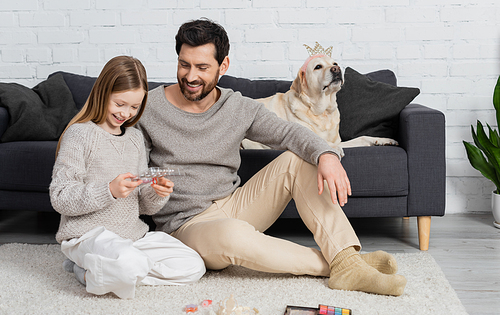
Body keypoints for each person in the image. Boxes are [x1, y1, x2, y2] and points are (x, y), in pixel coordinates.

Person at [135, 19, 407, 296]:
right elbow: (129, 168)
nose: (191, 76)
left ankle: (346, 261)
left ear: (223, 66)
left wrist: (327, 155)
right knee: (232, 236)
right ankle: (345, 262)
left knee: (298, 159)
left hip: (234, 204)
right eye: (184, 64)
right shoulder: (148, 107)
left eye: (202, 67)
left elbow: (289, 133)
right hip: (187, 226)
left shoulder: (237, 106)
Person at [50, 55, 206, 299]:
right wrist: (109, 191)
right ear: (103, 93)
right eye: (120, 104)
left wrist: (156, 192)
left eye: (134, 107)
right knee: (129, 263)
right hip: (88, 235)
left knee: (193, 265)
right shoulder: (79, 134)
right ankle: (89, 269)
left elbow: (143, 205)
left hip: (132, 237)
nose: (126, 113)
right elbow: (60, 197)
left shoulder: (134, 139)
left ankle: (108, 269)